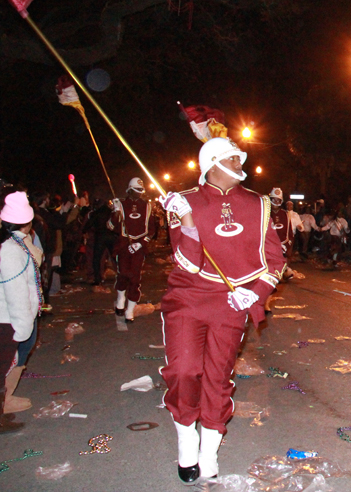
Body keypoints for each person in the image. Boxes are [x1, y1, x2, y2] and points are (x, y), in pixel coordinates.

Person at [158, 137, 284, 483]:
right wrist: (186, 220)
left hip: (232, 302)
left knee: (218, 377)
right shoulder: (182, 201)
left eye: (238, 157)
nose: (239, 162)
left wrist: (255, 294)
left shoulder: (259, 204)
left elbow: (275, 260)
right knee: (183, 370)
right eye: (231, 158)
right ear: (212, 163)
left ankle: (209, 450)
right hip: (189, 297)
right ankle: (186, 436)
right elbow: (187, 264)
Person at [0, 191, 42, 432]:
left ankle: (0, 408)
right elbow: (16, 293)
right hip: (3, 319)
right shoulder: (11, 250)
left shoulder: (11, 245)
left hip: (2, 316)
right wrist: (23, 326)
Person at [109, 177, 157, 322]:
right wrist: (116, 212)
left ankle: (130, 310)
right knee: (123, 274)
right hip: (123, 246)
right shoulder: (121, 204)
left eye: (141, 190)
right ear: (129, 190)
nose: (139, 193)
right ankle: (120, 299)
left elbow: (152, 229)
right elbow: (111, 227)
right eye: (136, 190)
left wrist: (140, 243)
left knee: (135, 278)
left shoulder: (147, 206)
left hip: (139, 247)